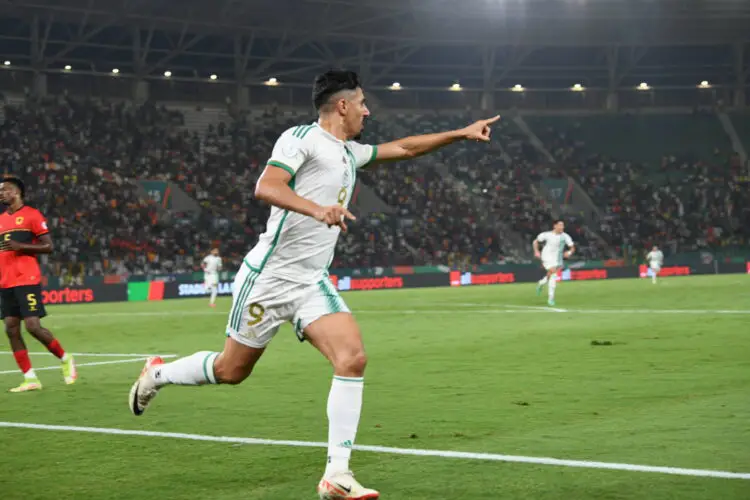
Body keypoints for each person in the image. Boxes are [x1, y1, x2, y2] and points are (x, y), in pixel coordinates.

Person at [128, 69, 499, 500]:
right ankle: (157, 373)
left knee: (353, 357)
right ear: (342, 105)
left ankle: (336, 476)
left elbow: (405, 147)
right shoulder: (299, 138)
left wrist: (461, 133)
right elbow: (266, 186)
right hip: (269, 278)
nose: (367, 110)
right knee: (232, 371)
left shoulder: (349, 152)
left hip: (310, 281)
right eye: (362, 102)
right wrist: (316, 209)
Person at [0, 177, 77, 392]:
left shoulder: (32, 215)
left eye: (4, 190)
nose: (1, 193)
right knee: (11, 328)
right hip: (5, 281)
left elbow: (48, 246)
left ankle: (65, 358)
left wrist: (20, 246)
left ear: (16, 192)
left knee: (32, 326)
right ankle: (30, 378)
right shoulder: (1, 220)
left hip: (26, 278)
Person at [533, 220, 575, 306]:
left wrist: (569, 252)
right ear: (554, 226)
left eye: (563, 225)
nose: (562, 227)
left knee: (551, 274)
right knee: (553, 274)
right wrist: (536, 251)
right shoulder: (546, 235)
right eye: (560, 225)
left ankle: (541, 283)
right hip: (546, 256)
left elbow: (572, 247)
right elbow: (535, 241)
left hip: (558, 259)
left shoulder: (565, 236)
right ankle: (551, 298)